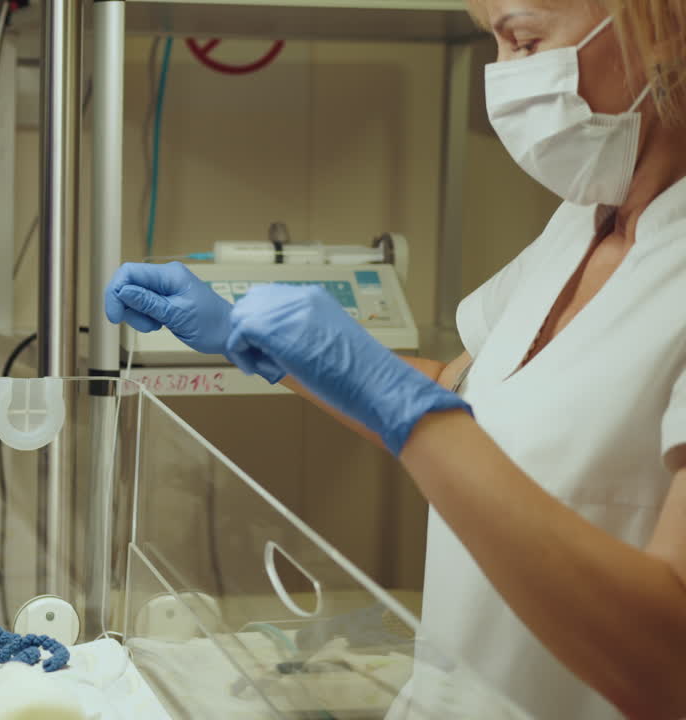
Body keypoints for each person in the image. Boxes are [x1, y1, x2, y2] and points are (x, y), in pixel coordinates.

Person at [104, 0, 686, 717]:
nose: (504, 76)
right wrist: (244, 339)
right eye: (493, 44)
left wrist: (408, 410)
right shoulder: (584, 222)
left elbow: (671, 660)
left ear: (663, 30)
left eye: (526, 39)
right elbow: (457, 391)